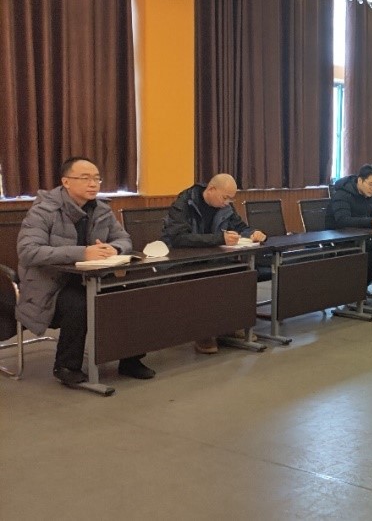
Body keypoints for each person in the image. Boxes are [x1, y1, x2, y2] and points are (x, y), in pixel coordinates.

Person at [16, 157, 155, 385]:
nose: (93, 184)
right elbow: (28, 251)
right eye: (85, 178)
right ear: (66, 182)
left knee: (130, 294)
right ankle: (66, 366)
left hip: (92, 278)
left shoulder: (102, 209)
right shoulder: (43, 210)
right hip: (51, 285)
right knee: (79, 303)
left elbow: (124, 239)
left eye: (97, 178)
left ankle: (130, 359)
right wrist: (82, 253)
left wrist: (115, 248)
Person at [162, 173, 268, 354]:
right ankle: (203, 332)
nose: (227, 203)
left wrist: (253, 233)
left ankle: (229, 326)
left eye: (230, 199)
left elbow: (240, 227)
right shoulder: (184, 203)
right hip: (184, 261)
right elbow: (179, 238)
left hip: (214, 258)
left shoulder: (225, 207)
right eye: (225, 198)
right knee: (206, 277)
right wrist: (219, 239)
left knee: (240, 272)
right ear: (211, 189)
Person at [328, 164, 372, 230]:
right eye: (370, 184)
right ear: (360, 180)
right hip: (339, 234)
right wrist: (371, 222)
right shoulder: (342, 195)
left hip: (363, 234)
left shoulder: (371, 197)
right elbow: (342, 220)